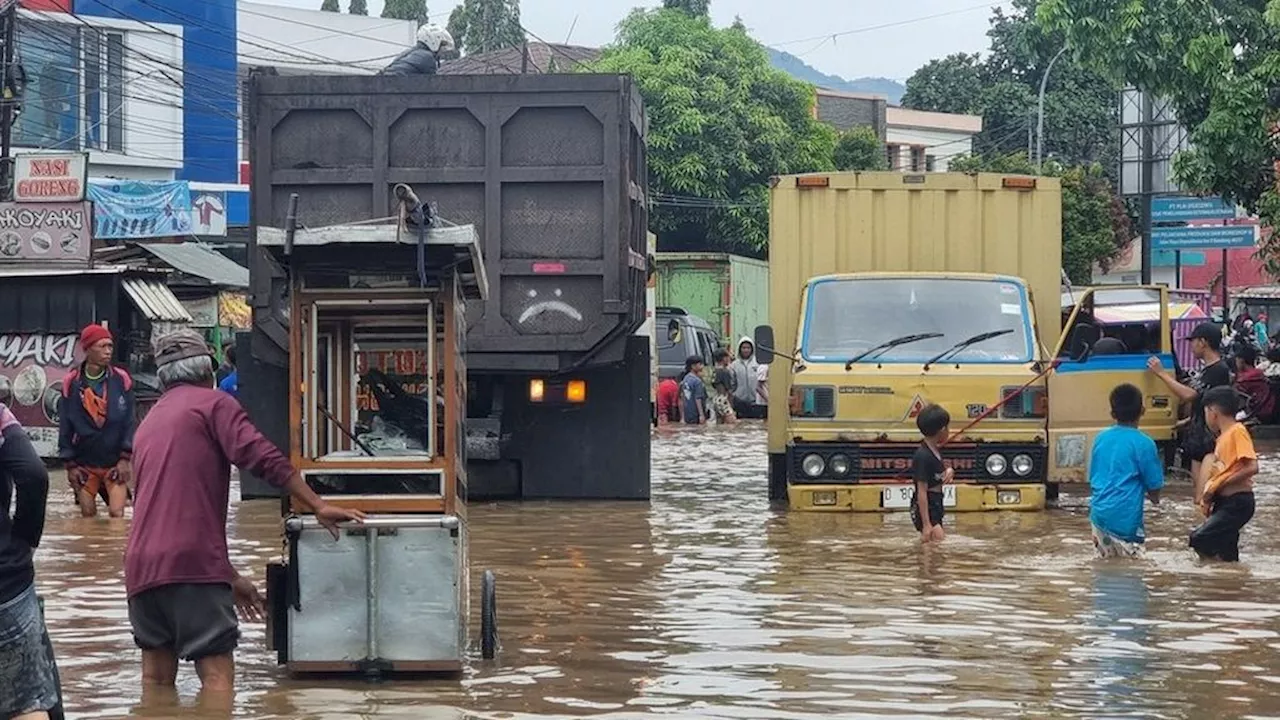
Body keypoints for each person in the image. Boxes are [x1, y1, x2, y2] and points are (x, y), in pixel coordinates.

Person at [125, 329, 365, 695]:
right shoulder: (214, 404)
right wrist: (317, 504)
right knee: (218, 679)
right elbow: (262, 457)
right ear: (209, 371)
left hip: (141, 568)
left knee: (155, 686)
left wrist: (229, 576)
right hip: (192, 567)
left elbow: (169, 512)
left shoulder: (149, 422)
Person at [0, 402, 58, 720]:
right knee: (24, 703)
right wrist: (23, 543)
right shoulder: (1, 419)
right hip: (6, 584)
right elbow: (34, 476)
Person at [59, 323, 135, 518]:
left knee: (117, 515)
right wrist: (70, 465)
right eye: (102, 346)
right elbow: (66, 426)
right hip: (85, 463)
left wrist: (126, 459)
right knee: (87, 516)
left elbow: (129, 421)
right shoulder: (71, 383)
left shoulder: (121, 379)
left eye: (110, 346)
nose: (108, 351)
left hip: (114, 462)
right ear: (87, 349)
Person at [1147, 322, 1232, 482]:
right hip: (1199, 432)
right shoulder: (1207, 369)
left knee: (1203, 485)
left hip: (1208, 437)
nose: (1191, 347)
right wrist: (1186, 421)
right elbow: (1203, 401)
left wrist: (1161, 374)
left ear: (1202, 342)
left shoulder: (1218, 369)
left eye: (1193, 342)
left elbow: (1189, 395)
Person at [1088, 384, 1164, 558]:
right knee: (1133, 570)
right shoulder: (1144, 443)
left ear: (1112, 414)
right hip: (1126, 521)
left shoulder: (1101, 438)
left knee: (1105, 567)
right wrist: (1155, 498)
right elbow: (1154, 484)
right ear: (1142, 410)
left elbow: (1093, 476)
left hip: (1099, 516)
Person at [1190, 386, 1258, 562]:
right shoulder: (1222, 438)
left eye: (1205, 412)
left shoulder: (1237, 431)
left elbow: (1252, 467)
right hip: (1225, 502)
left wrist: (1219, 485)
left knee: (1199, 538)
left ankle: (1209, 570)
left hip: (1238, 502)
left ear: (1212, 411)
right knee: (1227, 552)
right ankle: (1228, 581)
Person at [910, 404, 953, 544]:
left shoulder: (935, 451)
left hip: (936, 502)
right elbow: (921, 490)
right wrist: (927, 523)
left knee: (934, 544)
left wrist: (949, 471)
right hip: (927, 505)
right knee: (936, 542)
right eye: (947, 427)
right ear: (942, 430)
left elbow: (937, 473)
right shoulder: (923, 456)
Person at [379, 23, 454, 76]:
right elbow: (433, 85)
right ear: (434, 41)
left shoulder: (409, 52)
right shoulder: (427, 58)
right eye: (442, 45)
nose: (442, 50)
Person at [1233, 345, 1275, 423]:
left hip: (1257, 412)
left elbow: (1235, 395)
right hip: (1266, 409)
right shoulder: (1258, 373)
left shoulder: (1246, 378)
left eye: (1236, 360)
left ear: (1242, 361)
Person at [728, 338, 760, 419]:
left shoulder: (758, 363)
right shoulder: (734, 365)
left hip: (756, 402)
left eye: (748, 348)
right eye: (743, 348)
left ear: (752, 349)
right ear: (740, 349)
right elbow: (731, 385)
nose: (746, 350)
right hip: (739, 402)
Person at [679, 355, 707, 425]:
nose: (702, 366)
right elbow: (698, 399)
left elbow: (682, 398)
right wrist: (701, 415)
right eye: (700, 364)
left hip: (687, 413)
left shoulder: (685, 379)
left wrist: (682, 417)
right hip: (695, 413)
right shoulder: (697, 381)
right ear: (693, 366)